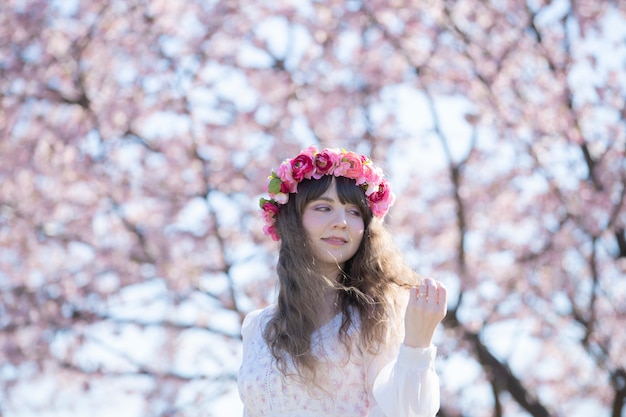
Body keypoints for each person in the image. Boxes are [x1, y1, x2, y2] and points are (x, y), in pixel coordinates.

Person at [238, 146, 447, 417]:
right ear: (292, 221)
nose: (341, 222)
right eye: (323, 208)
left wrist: (417, 345)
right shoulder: (259, 328)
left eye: (354, 212)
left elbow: (406, 412)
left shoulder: (376, 316)